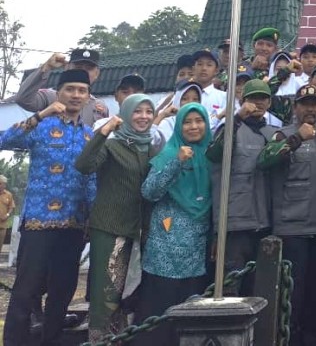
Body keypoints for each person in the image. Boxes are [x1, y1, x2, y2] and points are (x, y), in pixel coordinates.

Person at [1, 70, 97, 346]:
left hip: (73, 224)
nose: (76, 95)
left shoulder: (91, 136)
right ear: (59, 93)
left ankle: (51, 340)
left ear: (88, 96)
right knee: (25, 291)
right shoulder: (41, 127)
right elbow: (5, 139)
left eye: (82, 90)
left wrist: (92, 217)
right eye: (70, 89)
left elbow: (92, 180)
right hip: (38, 223)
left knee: (62, 292)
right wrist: (40, 115)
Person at [259, 84, 316, 346]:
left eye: (315, 103)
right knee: (291, 299)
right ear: (295, 107)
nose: (310, 108)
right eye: (305, 103)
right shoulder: (283, 134)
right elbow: (265, 160)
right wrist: (296, 140)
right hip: (292, 231)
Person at [74, 93, 155, 341]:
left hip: (137, 231)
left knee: (125, 296)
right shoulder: (112, 144)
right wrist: (103, 132)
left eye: (148, 112)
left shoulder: (149, 145)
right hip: (110, 229)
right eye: (138, 111)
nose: (144, 117)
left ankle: (118, 339)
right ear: (127, 113)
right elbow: (84, 165)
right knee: (105, 293)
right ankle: (98, 340)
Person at [135, 102, 212, 345]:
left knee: (190, 308)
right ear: (179, 126)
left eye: (198, 121)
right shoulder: (169, 153)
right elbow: (149, 191)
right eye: (187, 122)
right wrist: (176, 162)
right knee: (160, 310)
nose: (193, 126)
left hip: (197, 246)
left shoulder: (212, 155)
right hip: (165, 248)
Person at [206, 79, 277, 295]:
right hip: (235, 223)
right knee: (230, 287)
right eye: (253, 97)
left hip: (266, 222)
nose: (258, 102)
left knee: (260, 288)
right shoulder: (228, 126)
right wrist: (236, 118)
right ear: (242, 100)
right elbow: (214, 153)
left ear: (270, 102)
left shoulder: (275, 131)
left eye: (263, 97)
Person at [15, 48, 108, 126]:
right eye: (78, 67)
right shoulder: (50, 96)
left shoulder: (100, 107)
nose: (83, 72)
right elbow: (22, 99)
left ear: (97, 73)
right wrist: (46, 67)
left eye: (89, 68)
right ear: (67, 68)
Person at [0, 175, 14, 252]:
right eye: (3, 183)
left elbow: (11, 207)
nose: (4, 185)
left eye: (5, 184)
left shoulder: (8, 194)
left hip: (3, 225)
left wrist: (7, 215)